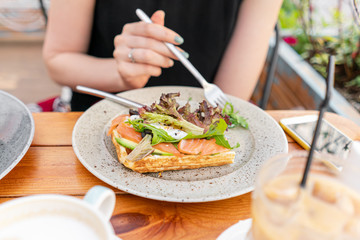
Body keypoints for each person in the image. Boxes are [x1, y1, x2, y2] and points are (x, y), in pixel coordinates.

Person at [42, 0, 283, 111]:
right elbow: (58, 59)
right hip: (101, 117)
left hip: (199, 123)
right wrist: (120, 74)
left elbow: (230, 95)